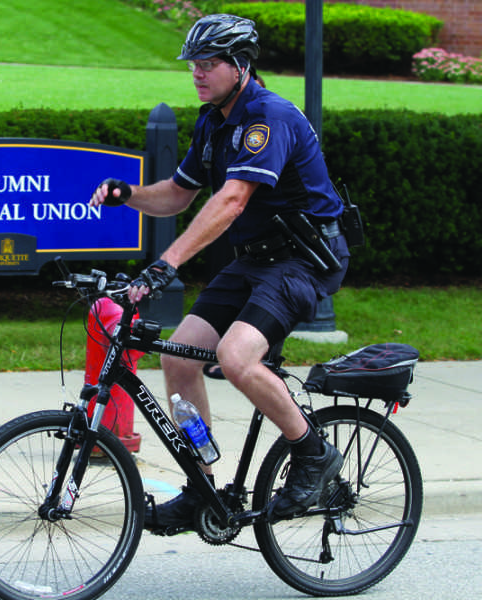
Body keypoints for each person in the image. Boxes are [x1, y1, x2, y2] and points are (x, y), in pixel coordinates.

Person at [89, 14, 350, 530]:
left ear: (241, 66)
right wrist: (130, 196)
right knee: (180, 361)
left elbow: (231, 201)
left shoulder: (266, 117)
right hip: (254, 261)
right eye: (194, 65)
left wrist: (166, 264)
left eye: (209, 64)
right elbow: (179, 194)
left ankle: (313, 453)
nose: (198, 74)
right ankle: (201, 483)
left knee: (235, 357)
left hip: (304, 260)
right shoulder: (213, 121)